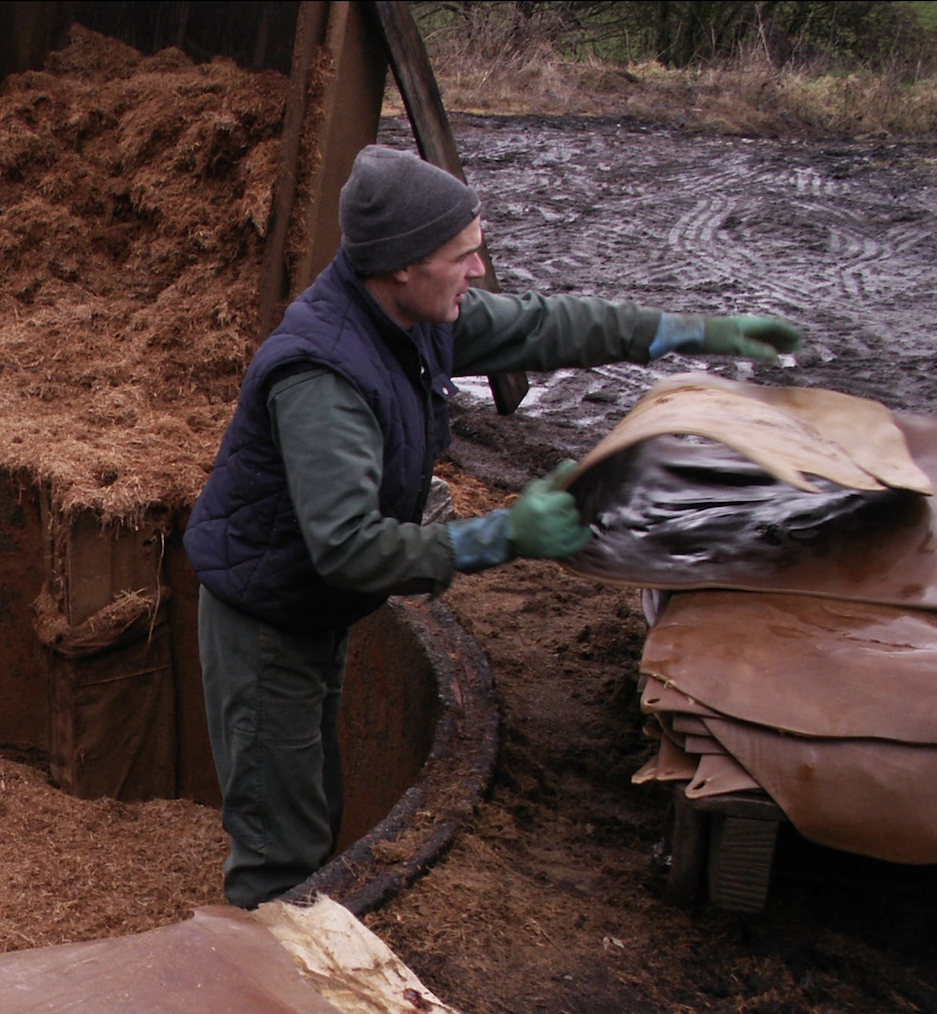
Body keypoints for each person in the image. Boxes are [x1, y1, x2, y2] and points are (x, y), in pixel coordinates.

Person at [183, 144, 801, 909]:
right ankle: (257, 994)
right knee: (281, 845)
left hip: (307, 604)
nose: (479, 271)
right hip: (268, 622)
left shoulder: (410, 315)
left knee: (310, 808)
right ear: (404, 264)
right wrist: (503, 534)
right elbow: (347, 548)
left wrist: (684, 331)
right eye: (463, 256)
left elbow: (545, 326)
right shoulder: (324, 376)